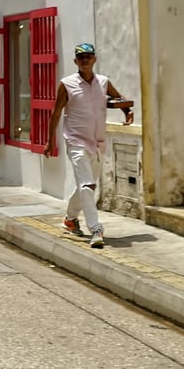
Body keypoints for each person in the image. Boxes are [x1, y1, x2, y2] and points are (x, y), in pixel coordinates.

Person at [44, 42, 134, 249]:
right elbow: (56, 113)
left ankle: (70, 219)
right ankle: (96, 229)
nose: (85, 60)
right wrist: (50, 141)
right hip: (76, 141)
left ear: (94, 59)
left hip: (98, 143)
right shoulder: (67, 84)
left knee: (87, 186)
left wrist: (127, 112)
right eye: (81, 57)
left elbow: (118, 98)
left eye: (89, 56)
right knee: (87, 185)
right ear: (75, 61)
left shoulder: (103, 82)